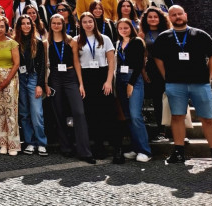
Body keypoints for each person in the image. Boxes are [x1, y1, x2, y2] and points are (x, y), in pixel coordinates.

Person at [153, 6, 212, 168]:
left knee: (208, 118)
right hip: (175, 84)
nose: (177, 17)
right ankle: (179, 152)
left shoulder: (200, 34)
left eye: (180, 14)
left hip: (200, 84)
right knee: (177, 117)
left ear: (185, 15)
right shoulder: (164, 37)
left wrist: (209, 76)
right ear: (169, 18)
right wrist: (166, 76)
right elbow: (157, 58)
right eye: (173, 15)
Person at [46, 14, 95, 164]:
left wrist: (80, 83)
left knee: (79, 112)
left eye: (58, 23)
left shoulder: (71, 41)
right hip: (54, 77)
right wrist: (45, 84)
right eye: (53, 23)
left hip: (70, 76)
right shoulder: (45, 42)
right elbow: (44, 64)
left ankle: (84, 151)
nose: (56, 26)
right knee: (59, 112)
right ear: (50, 25)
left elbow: (76, 62)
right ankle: (66, 147)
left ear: (63, 25)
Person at [76, 12, 117, 160]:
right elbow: (77, 64)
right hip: (86, 78)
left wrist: (108, 81)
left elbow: (111, 61)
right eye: (85, 22)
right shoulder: (77, 40)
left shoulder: (104, 39)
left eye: (90, 21)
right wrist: (81, 84)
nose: (88, 24)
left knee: (104, 112)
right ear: (80, 24)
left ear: (94, 23)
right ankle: (95, 145)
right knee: (90, 113)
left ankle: (107, 145)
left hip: (102, 76)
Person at [114, 17, 152, 162]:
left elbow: (138, 65)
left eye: (126, 27)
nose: (123, 30)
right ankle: (136, 148)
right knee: (128, 116)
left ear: (131, 28)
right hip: (120, 78)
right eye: (120, 28)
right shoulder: (118, 43)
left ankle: (145, 151)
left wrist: (131, 83)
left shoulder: (136, 41)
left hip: (133, 79)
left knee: (136, 115)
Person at [14, 14, 48, 156]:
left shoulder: (38, 42)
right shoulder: (15, 42)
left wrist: (40, 84)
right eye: (23, 23)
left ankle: (41, 142)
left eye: (28, 23)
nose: (26, 26)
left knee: (37, 113)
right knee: (24, 113)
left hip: (34, 78)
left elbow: (42, 66)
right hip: (20, 78)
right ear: (19, 26)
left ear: (32, 25)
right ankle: (29, 142)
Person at [138, 6, 172, 143]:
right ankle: (161, 131)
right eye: (150, 17)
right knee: (157, 100)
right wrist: (143, 71)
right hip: (151, 69)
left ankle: (174, 130)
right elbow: (141, 55)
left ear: (160, 19)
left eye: (155, 17)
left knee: (170, 100)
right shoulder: (142, 34)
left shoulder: (168, 32)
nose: (152, 19)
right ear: (145, 19)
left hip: (167, 67)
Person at [0, 15, 21, 155]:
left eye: (2, 26)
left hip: (10, 77)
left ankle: (13, 144)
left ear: (6, 28)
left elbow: (17, 63)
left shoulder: (12, 43)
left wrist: (7, 80)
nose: (0, 29)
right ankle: (2, 143)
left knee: (11, 111)